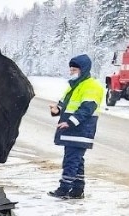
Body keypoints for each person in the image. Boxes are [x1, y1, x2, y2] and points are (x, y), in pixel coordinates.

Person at [48, 54, 104, 199]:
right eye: (71, 69)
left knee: (71, 161)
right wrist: (56, 110)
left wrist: (70, 122)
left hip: (80, 131)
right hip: (73, 131)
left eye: (74, 70)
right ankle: (77, 190)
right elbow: (64, 104)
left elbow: (87, 109)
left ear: (83, 70)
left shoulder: (92, 86)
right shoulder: (74, 86)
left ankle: (64, 189)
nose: (71, 72)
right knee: (77, 161)